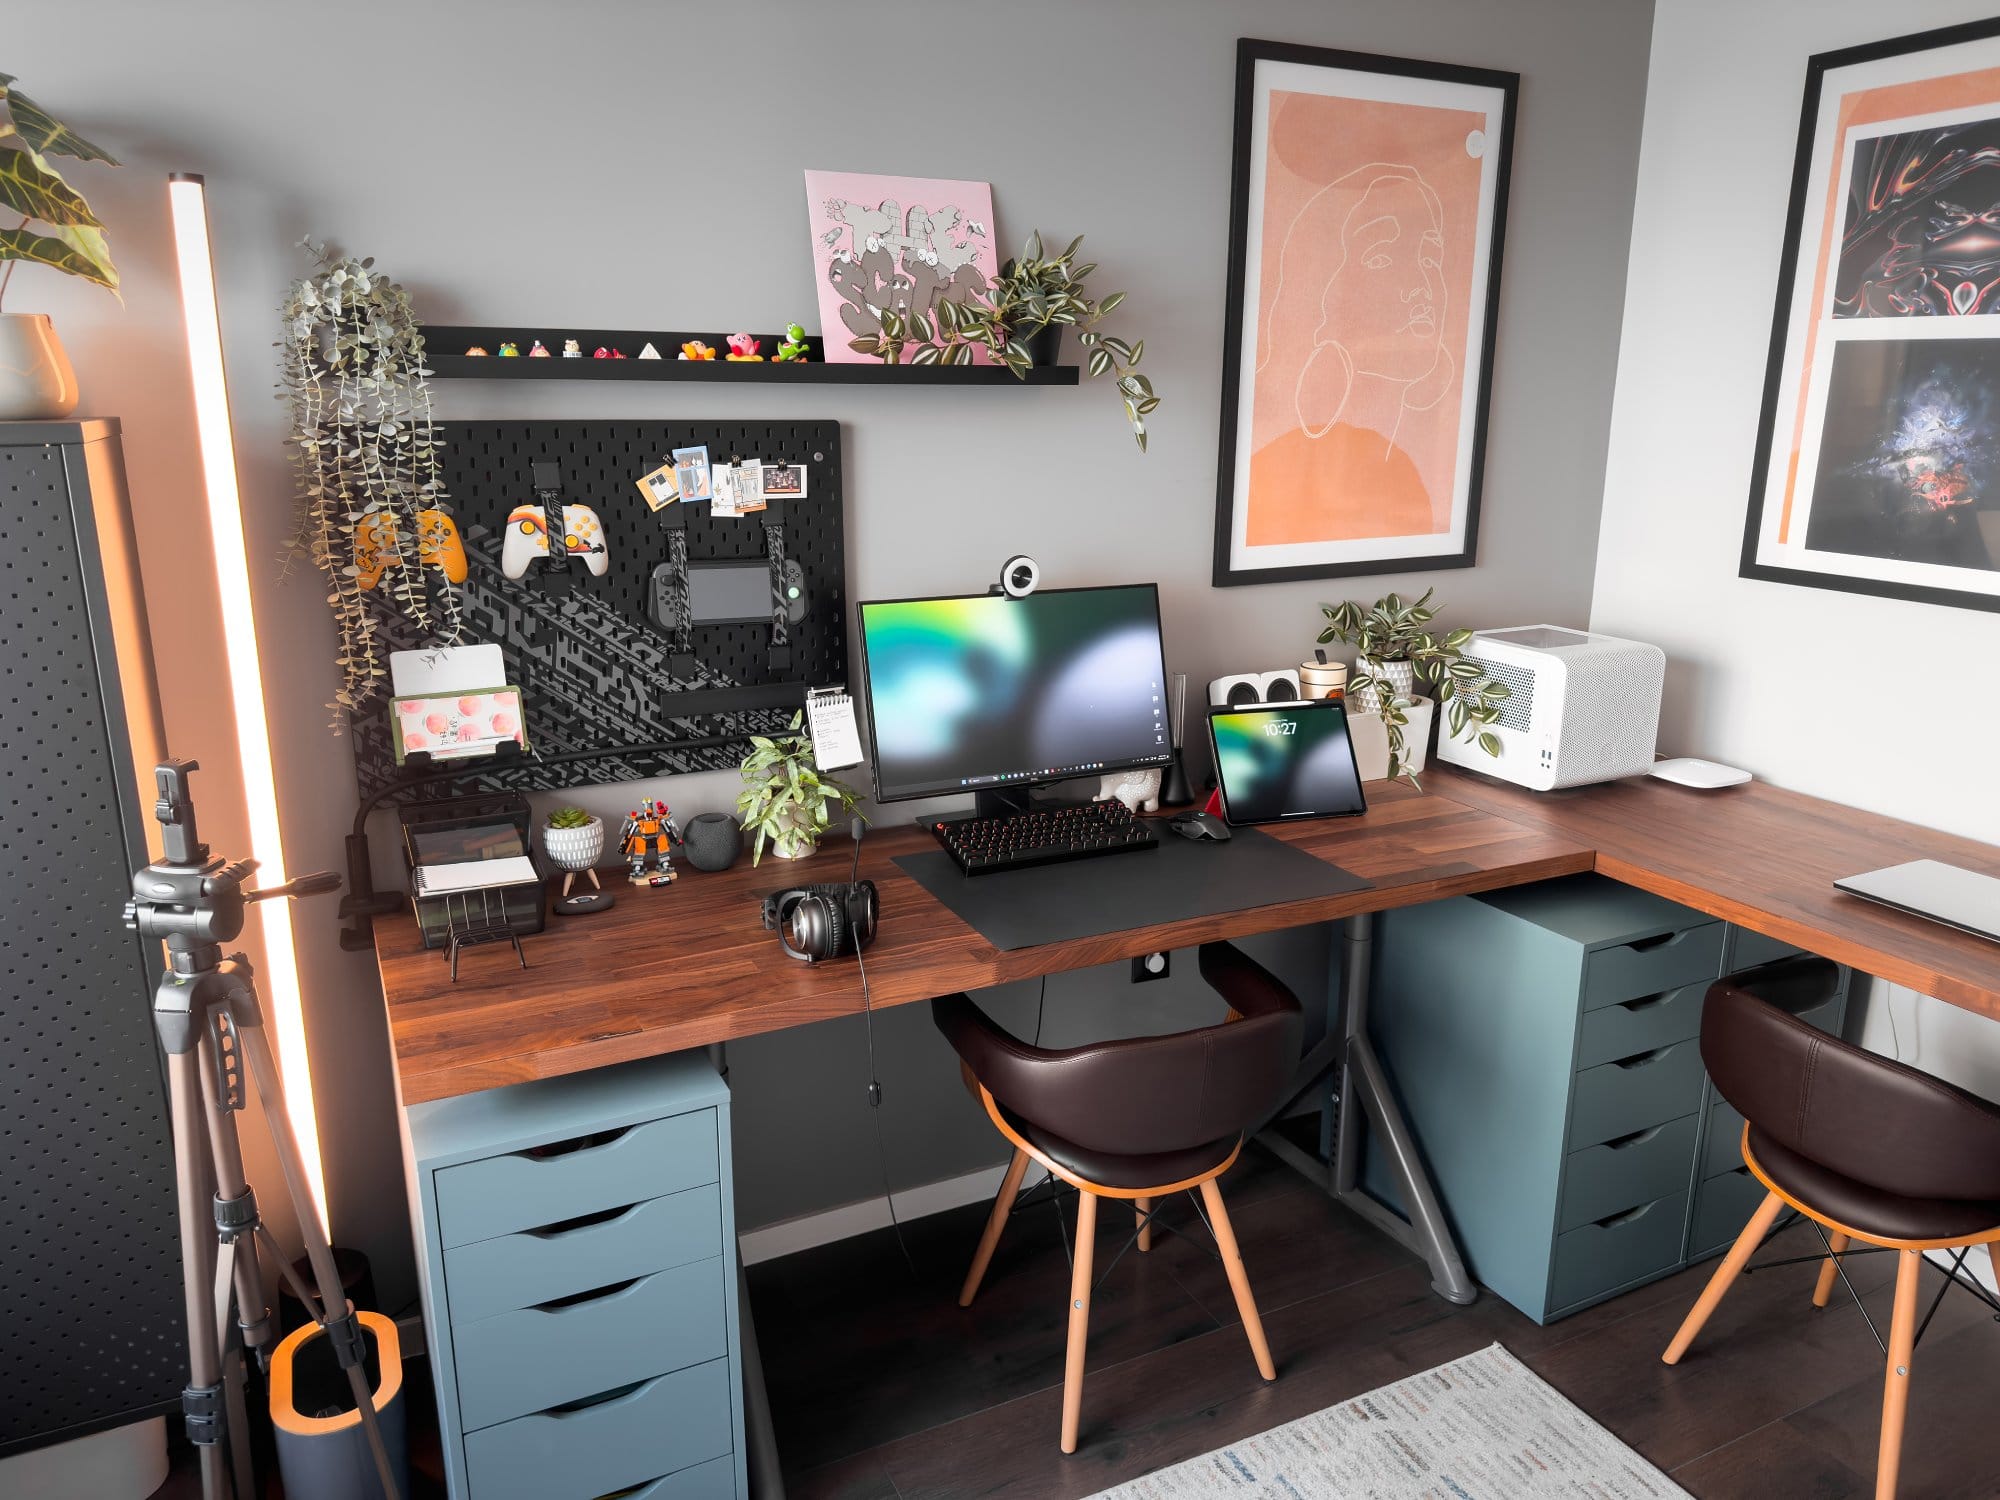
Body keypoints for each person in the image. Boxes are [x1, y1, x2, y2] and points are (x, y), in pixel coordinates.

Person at [1249, 163, 1456, 547]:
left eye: (1430, 259)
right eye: (1381, 257)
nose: (1422, 286)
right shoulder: (1267, 474)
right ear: (1321, 296)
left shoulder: (1407, 479)